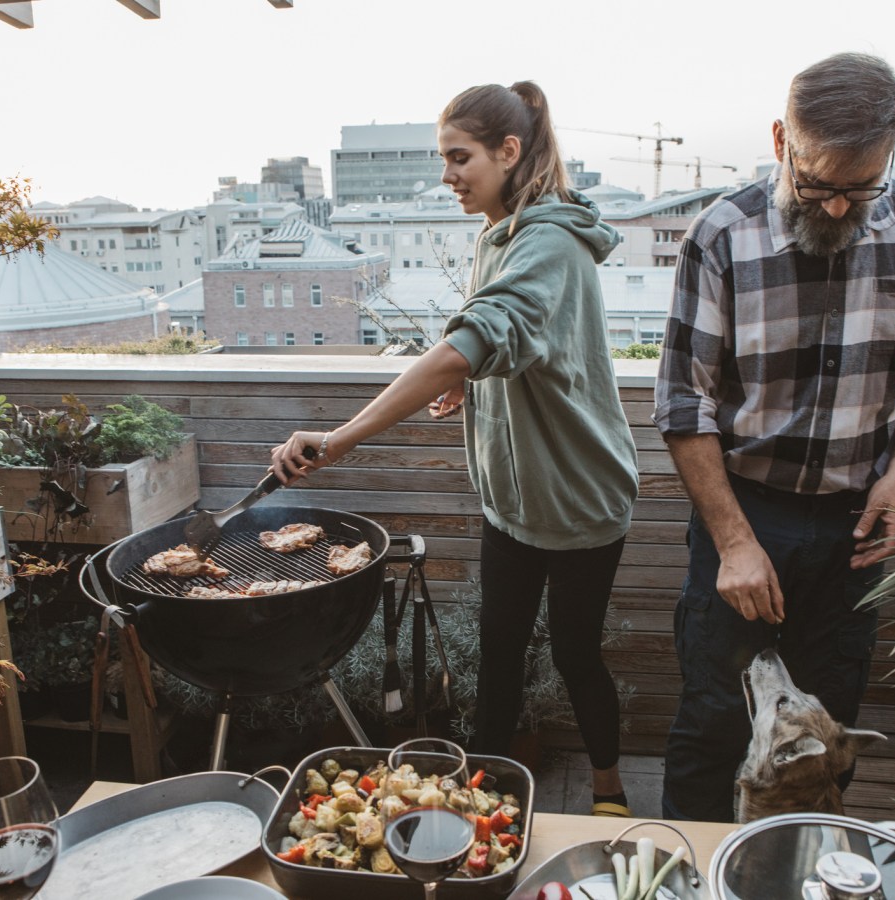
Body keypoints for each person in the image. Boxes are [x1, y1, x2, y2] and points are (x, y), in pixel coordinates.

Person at [271, 81, 640, 817]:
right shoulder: (496, 236)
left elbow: (476, 337)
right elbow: (503, 341)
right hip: (512, 499)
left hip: (578, 498)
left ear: (510, 152)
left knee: (573, 656)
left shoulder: (550, 243)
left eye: (458, 157)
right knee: (498, 657)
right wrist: (473, 385)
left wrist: (339, 438)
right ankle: (484, 807)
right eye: (443, 159)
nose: (447, 176)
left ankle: (609, 791)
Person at [654, 52, 895, 822]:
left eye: (860, 187)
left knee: (827, 732)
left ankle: (794, 864)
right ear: (779, 142)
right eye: (817, 184)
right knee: (715, 722)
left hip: (856, 518)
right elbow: (682, 400)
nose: (836, 208)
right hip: (746, 509)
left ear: (891, 154)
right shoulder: (722, 233)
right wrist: (733, 542)